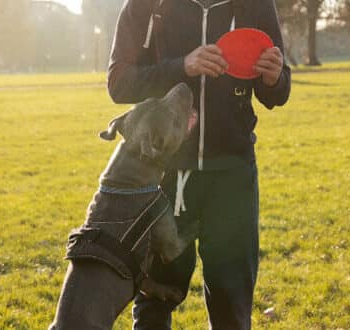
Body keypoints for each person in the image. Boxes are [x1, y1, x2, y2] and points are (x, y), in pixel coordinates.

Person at [107, 0, 291, 328]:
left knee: (232, 305)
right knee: (154, 299)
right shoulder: (146, 5)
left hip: (232, 176)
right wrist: (183, 66)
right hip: (164, 175)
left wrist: (275, 78)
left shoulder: (255, 4)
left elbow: (276, 92)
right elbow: (119, 83)